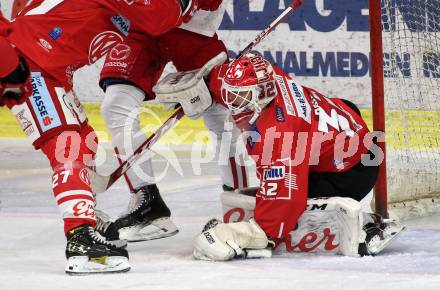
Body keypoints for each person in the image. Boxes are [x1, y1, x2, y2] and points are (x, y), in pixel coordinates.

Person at [0, 0, 219, 274]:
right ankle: (79, 237)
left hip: (50, 69)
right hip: (31, 65)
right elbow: (160, 18)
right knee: (69, 147)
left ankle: (87, 220)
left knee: (84, 141)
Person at [187, 52, 404, 261]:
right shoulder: (271, 77)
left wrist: (244, 234)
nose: (233, 102)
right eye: (231, 95)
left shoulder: (280, 136)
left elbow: (283, 205)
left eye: (240, 97)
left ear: (262, 94)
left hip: (352, 171)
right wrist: (204, 86)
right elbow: (229, 80)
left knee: (293, 207)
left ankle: (365, 226)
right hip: (346, 124)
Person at [97, 3, 253, 242]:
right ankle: (147, 204)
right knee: (116, 104)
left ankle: (241, 204)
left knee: (220, 111)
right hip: (142, 27)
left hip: (193, 30)